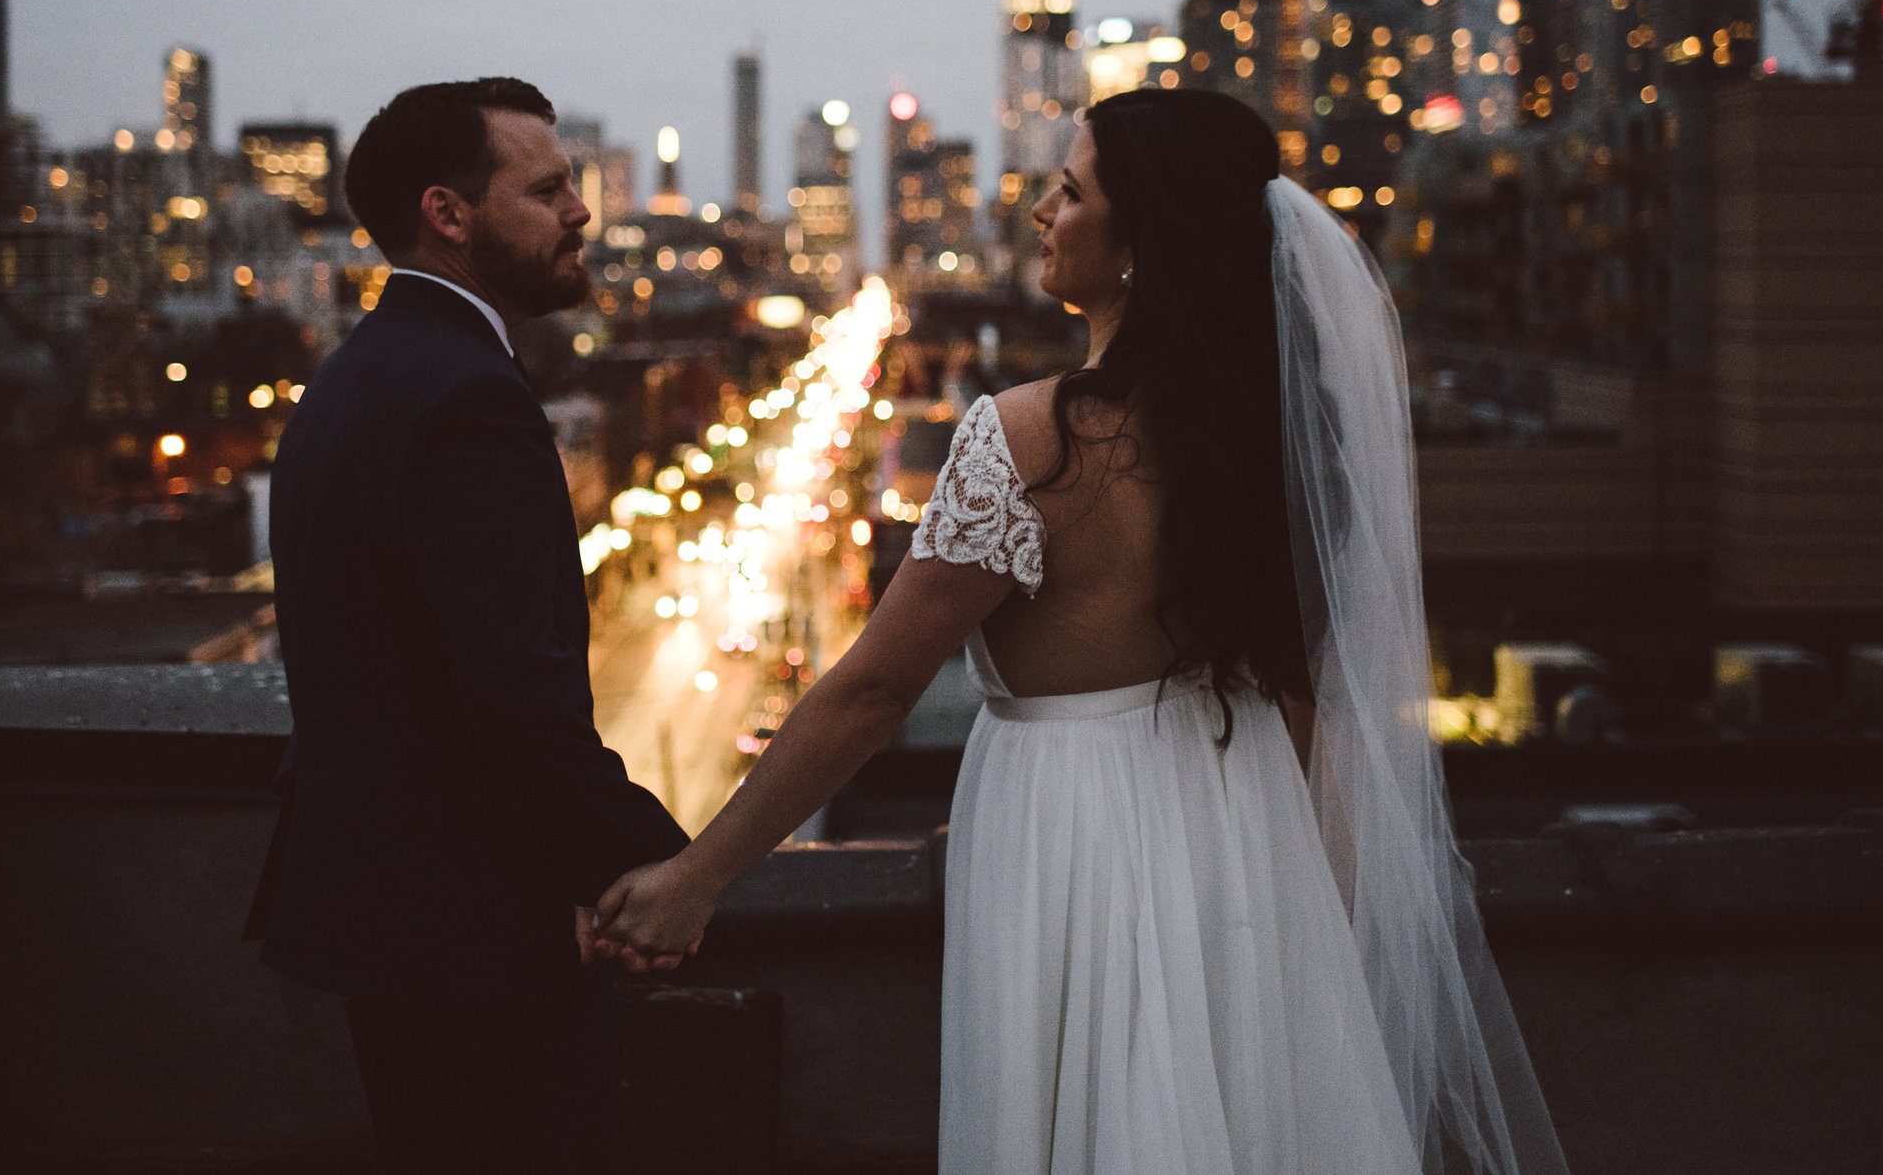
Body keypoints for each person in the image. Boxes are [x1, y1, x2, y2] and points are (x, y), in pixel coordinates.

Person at [596, 89, 1569, 1174]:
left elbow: (874, 690)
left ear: (1138, 241)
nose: (1042, 214)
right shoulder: (1274, 437)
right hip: (1245, 829)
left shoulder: (1027, 438)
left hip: (1077, 829)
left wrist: (698, 875)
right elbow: (1310, 703)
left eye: (1068, 190)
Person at [256, 78, 687, 1174]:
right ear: (448, 214)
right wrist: (660, 865)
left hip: (389, 927)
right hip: (478, 944)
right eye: (546, 190)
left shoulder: (351, 378)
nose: (580, 214)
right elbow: (512, 698)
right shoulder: (467, 399)